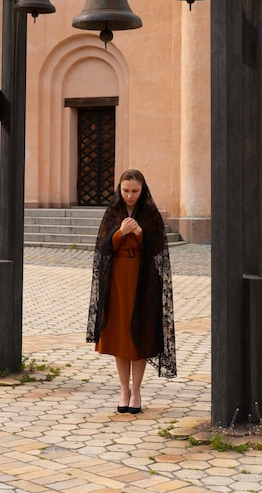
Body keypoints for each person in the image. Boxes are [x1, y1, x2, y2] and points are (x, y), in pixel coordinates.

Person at [86, 169, 176, 414]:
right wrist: (120, 233)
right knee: (120, 336)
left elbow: (159, 249)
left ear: (142, 189)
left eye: (134, 191)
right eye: (126, 190)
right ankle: (123, 390)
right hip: (116, 281)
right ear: (120, 189)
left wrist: (139, 233)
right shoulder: (112, 212)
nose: (129, 195)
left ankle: (136, 391)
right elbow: (102, 248)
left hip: (143, 280)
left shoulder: (149, 214)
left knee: (140, 334)